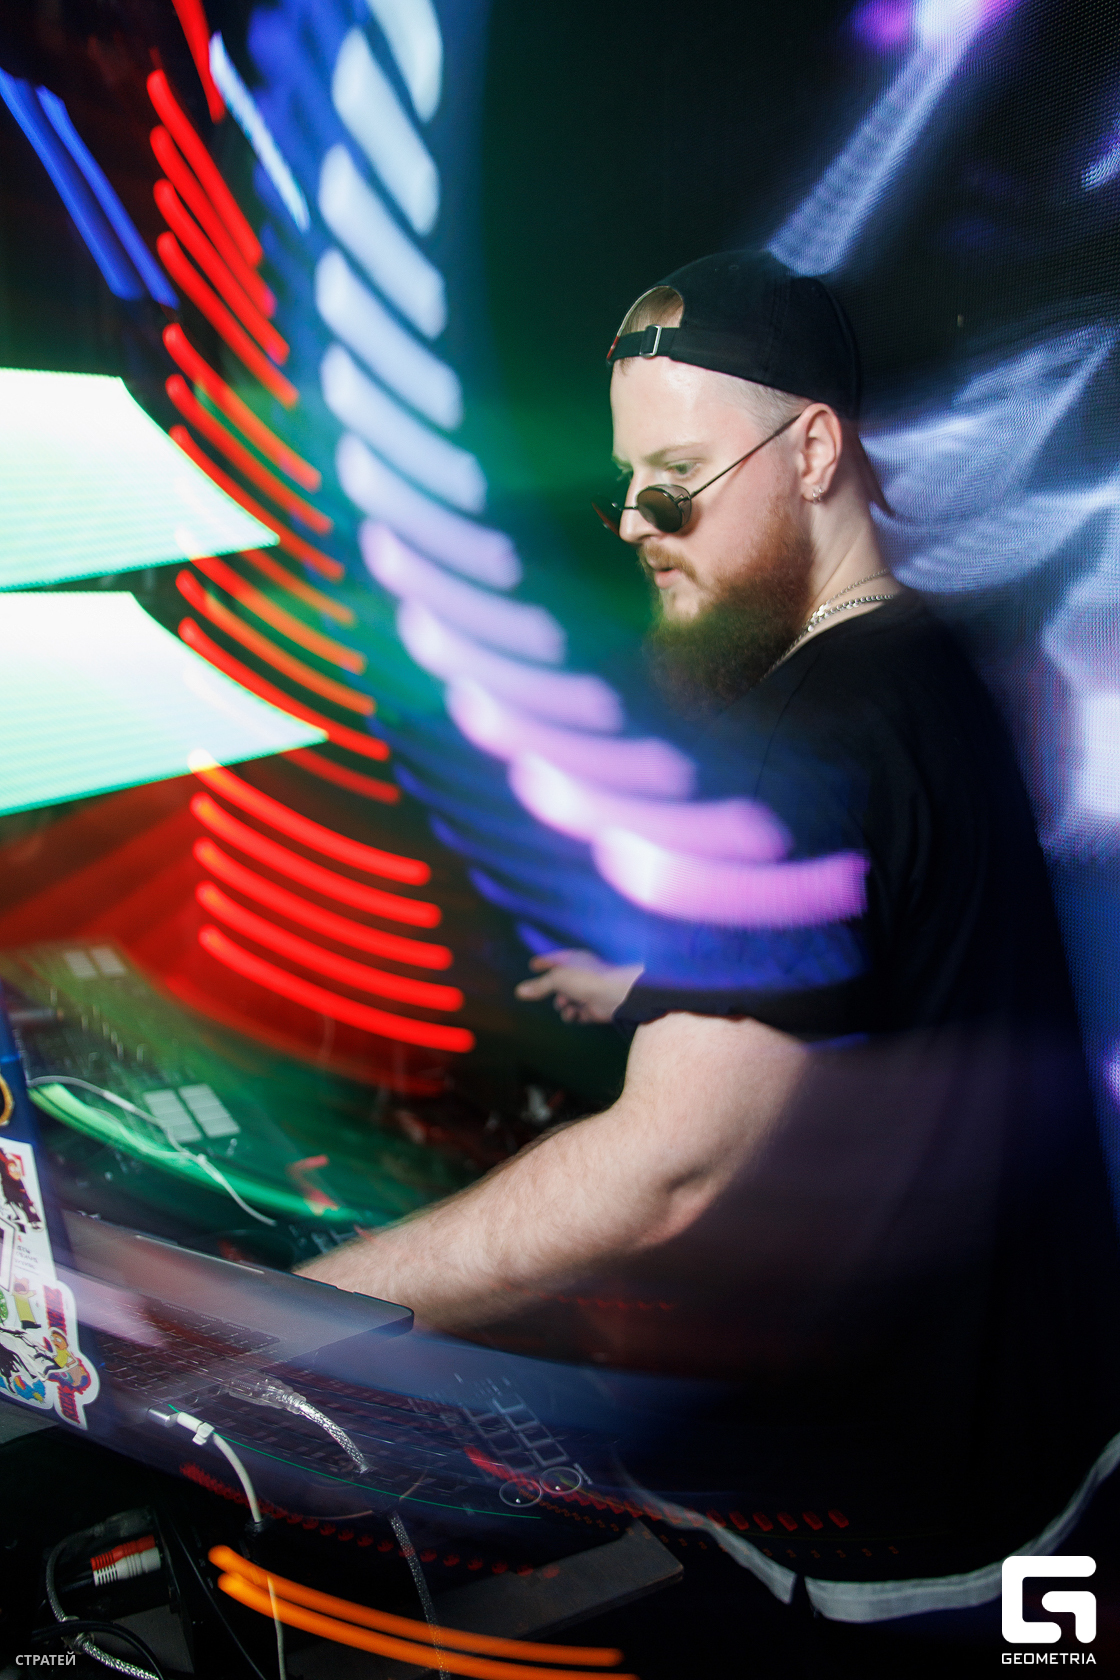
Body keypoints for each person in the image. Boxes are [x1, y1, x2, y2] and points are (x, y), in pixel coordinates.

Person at [300, 251, 1120, 1619]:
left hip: (900, 1536)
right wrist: (658, 981)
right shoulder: (919, 660)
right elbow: (898, 943)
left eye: (674, 481)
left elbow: (667, 1172)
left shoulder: (798, 738)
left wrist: (308, 1314)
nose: (636, 521)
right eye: (627, 484)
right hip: (1037, 1446)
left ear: (812, 451)